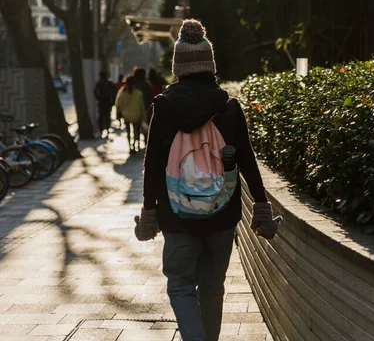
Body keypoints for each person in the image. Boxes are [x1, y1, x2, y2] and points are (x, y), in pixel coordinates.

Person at [134, 19, 282, 341]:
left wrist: (149, 212)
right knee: (212, 289)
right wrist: (260, 205)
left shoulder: (164, 107)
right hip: (222, 215)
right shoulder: (229, 107)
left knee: (181, 285)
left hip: (176, 216)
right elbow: (248, 160)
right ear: (210, 65)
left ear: (177, 67)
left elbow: (154, 163)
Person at [115, 75, 147, 154]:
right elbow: (141, 106)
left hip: (126, 116)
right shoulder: (138, 93)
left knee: (129, 132)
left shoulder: (121, 92)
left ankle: (130, 147)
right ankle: (137, 144)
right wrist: (144, 117)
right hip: (137, 115)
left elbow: (117, 104)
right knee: (137, 131)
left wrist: (118, 115)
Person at [94, 72, 117, 138]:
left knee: (101, 116)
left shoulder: (99, 83)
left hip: (102, 101)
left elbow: (95, 91)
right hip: (107, 101)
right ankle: (106, 130)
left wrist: (97, 98)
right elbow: (114, 91)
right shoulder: (109, 83)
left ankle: (101, 130)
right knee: (107, 116)